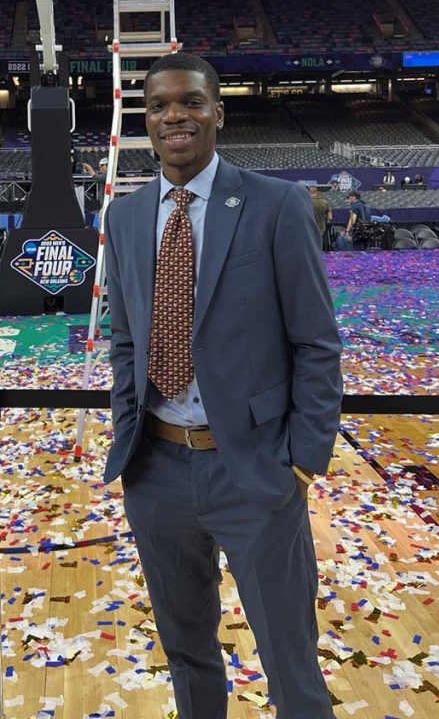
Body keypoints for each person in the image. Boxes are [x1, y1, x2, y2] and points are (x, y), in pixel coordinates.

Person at [103, 52, 342, 719]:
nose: (175, 115)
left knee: (289, 661)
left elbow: (317, 343)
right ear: (145, 120)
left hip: (258, 471)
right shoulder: (125, 219)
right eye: (159, 106)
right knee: (187, 654)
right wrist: (131, 446)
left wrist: (302, 461)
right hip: (158, 469)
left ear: (217, 112)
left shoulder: (276, 204)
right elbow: (127, 342)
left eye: (190, 102)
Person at [308, 183, 333, 249]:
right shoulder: (324, 202)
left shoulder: (306, 202)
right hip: (321, 228)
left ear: (309, 192)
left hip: (309, 228)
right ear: (316, 192)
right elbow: (330, 217)